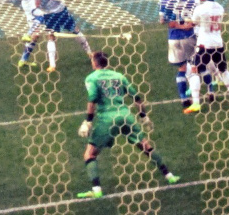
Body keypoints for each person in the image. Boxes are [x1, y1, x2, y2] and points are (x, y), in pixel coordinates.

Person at [76, 51, 180, 199]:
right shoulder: (119, 76)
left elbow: (92, 99)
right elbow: (136, 97)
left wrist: (88, 121)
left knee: (90, 154)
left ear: (94, 62)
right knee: (145, 146)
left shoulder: (91, 78)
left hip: (108, 118)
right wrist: (143, 116)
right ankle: (169, 176)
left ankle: (97, 190)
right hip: (126, 116)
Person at [7, 0, 99, 71]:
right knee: (63, 33)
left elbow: (37, 4)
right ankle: (54, 63)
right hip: (58, 11)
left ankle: (53, 63)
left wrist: (41, 2)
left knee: (60, 34)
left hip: (54, 13)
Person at [185, 0, 229, 113]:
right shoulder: (220, 8)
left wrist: (186, 20)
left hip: (204, 44)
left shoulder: (200, 8)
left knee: (194, 71)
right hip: (218, 43)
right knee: (223, 70)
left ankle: (196, 103)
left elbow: (193, 23)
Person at [158, 0, 199, 109]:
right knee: (193, 69)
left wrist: (176, 24)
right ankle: (196, 99)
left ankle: (183, 98)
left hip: (174, 38)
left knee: (181, 69)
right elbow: (193, 19)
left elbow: (162, 21)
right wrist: (186, 25)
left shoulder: (165, 0)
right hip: (189, 37)